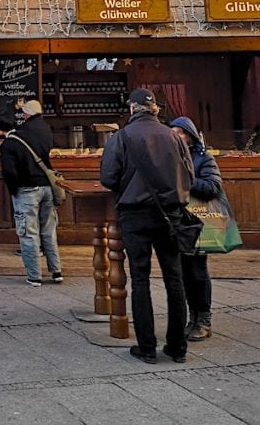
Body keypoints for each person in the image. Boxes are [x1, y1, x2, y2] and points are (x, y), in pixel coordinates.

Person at [100, 88, 194, 365]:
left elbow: (108, 177)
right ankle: (178, 347)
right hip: (170, 214)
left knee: (140, 280)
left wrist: (128, 188)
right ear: (154, 109)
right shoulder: (174, 136)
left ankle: (147, 347)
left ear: (131, 108)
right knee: (174, 279)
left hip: (135, 214)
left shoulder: (120, 138)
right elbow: (188, 174)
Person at [0, 100, 63, 286]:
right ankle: (56, 271)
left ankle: (34, 275)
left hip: (27, 190)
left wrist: (14, 191)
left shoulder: (9, 144)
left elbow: (9, 173)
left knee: (29, 233)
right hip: (47, 187)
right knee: (49, 232)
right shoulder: (42, 132)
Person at [170, 116, 223, 341]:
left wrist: (185, 181)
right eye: (172, 131)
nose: (175, 135)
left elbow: (213, 186)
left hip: (198, 223)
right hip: (179, 222)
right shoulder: (169, 157)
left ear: (189, 136)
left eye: (179, 132)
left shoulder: (203, 159)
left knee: (198, 272)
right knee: (182, 272)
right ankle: (192, 317)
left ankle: (204, 319)